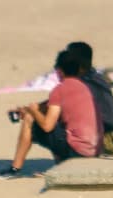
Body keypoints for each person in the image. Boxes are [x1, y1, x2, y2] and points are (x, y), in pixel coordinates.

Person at [8, 42, 102, 172]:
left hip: (78, 152)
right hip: (94, 150)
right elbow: (49, 106)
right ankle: (61, 164)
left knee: (30, 119)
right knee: (60, 122)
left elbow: (47, 126)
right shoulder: (84, 87)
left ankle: (15, 167)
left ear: (59, 71)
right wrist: (29, 109)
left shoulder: (59, 90)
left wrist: (33, 112)